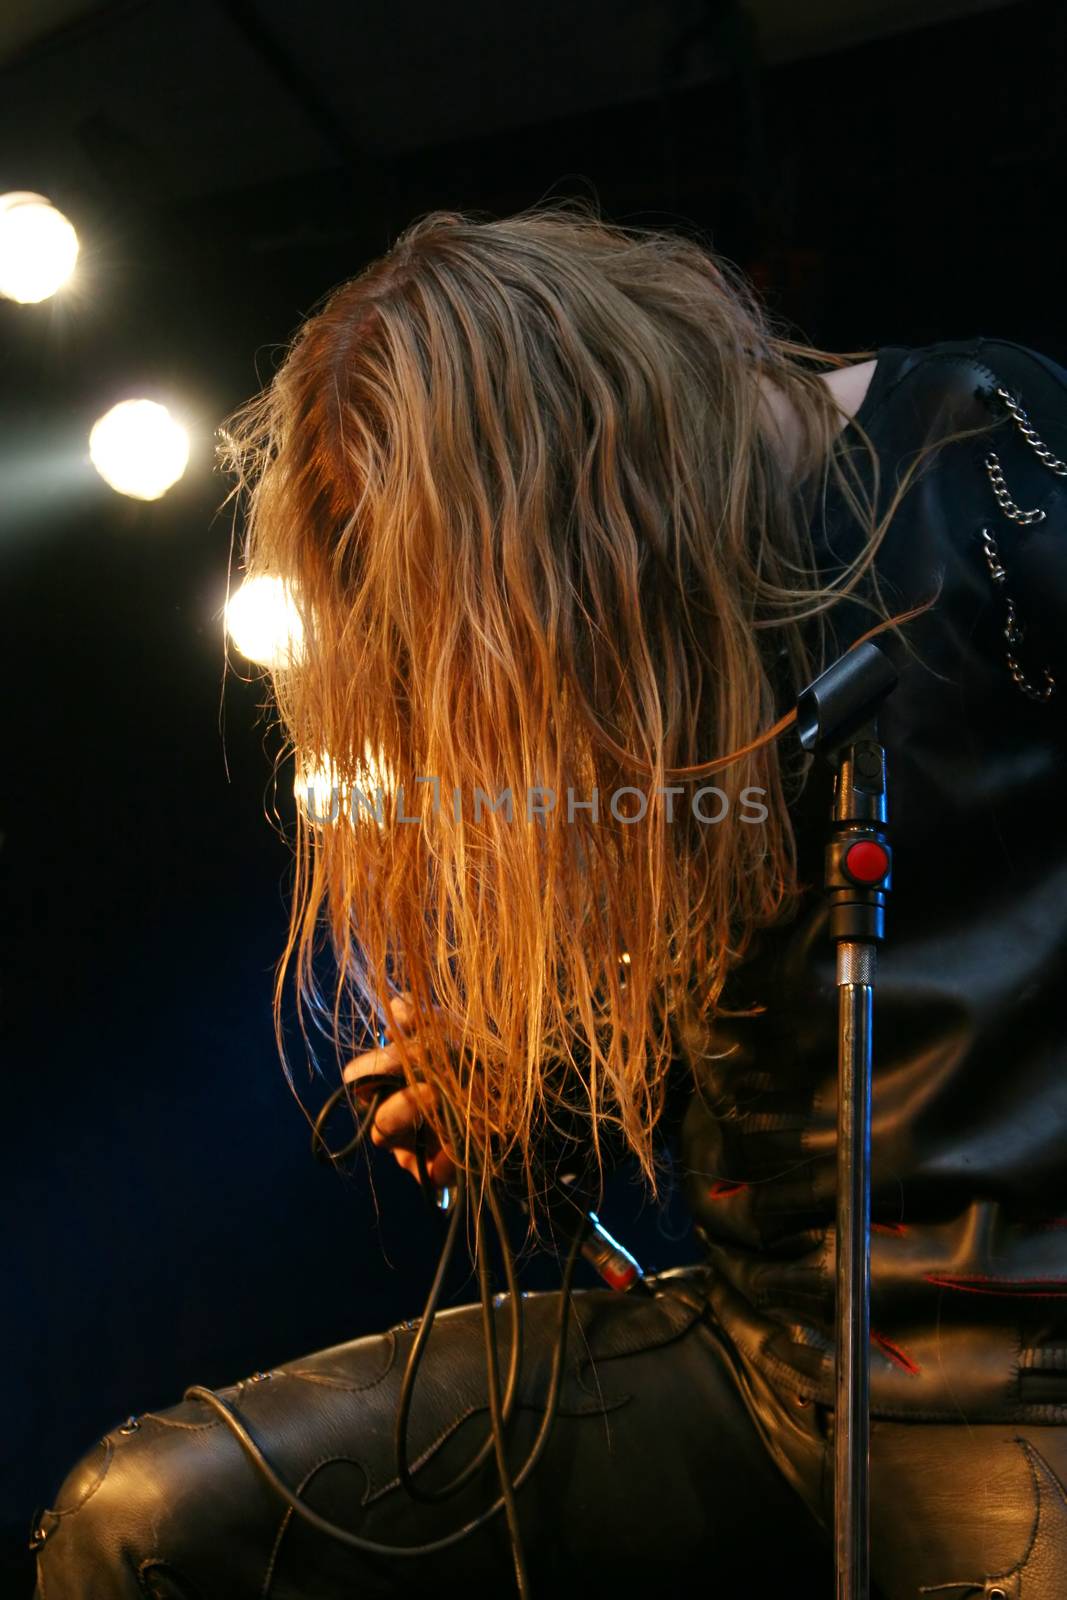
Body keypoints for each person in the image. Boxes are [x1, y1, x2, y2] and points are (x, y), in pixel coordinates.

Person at [32, 204, 1067, 1600]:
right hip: (758, 1360)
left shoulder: (1001, 460)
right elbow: (743, 1013)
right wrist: (526, 1083)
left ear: (587, 477)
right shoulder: (653, 625)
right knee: (144, 1522)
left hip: (1023, 1383)